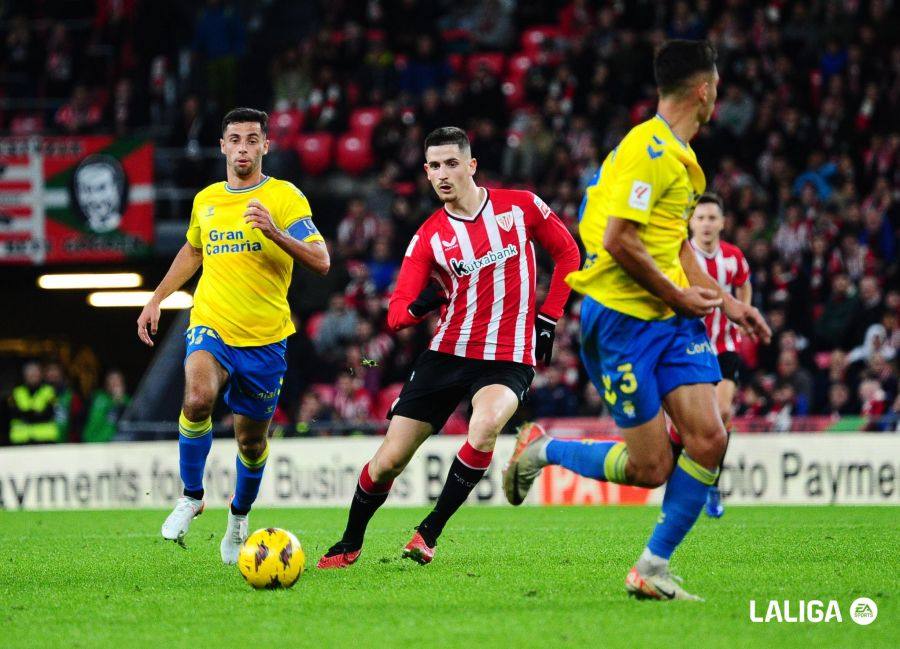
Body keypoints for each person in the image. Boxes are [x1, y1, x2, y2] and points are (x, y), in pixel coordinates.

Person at [503, 40, 770, 601]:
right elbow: (620, 241)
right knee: (651, 467)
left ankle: (651, 567)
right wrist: (679, 292)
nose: (718, 95)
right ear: (703, 90)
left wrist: (724, 300)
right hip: (622, 321)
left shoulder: (678, 157)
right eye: (716, 86)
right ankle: (541, 448)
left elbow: (672, 241)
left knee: (708, 439)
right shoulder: (646, 152)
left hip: (668, 319)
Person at [318, 126, 580, 568]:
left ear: (471, 165)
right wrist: (421, 306)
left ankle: (428, 533)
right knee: (388, 462)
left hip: (507, 356)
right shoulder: (429, 237)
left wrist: (549, 318)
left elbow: (569, 255)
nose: (442, 174)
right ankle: (350, 542)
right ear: (425, 171)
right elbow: (396, 314)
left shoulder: (521, 207)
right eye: (434, 166)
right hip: (446, 355)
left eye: (451, 164)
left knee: (485, 426)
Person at [137, 107, 329, 563]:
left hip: (265, 338)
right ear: (222, 146)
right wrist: (156, 298)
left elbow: (321, 260)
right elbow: (193, 249)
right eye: (235, 139)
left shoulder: (285, 198)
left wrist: (274, 231)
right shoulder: (206, 199)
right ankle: (191, 494)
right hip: (212, 323)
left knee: (251, 441)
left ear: (266, 145)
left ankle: (239, 517)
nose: (243, 147)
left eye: (252, 139)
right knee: (197, 398)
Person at [680, 192, 752, 517]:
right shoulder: (682, 257)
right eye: (701, 218)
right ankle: (692, 480)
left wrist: (744, 312)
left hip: (724, 347)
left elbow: (744, 282)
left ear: (722, 223)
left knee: (722, 413)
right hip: (690, 348)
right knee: (695, 424)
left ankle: (712, 483)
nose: (707, 224)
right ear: (691, 222)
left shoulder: (733, 257)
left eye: (712, 218)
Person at [8, 361, 60, 444]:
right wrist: (35, 414)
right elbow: (13, 413)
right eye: (30, 373)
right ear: (25, 375)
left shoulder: (49, 391)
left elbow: (50, 413)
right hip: (22, 441)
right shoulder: (17, 392)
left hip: (45, 439)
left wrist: (27, 414)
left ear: (40, 374)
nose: (33, 376)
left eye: (35, 373)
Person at [82, 370, 131, 443]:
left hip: (115, 444)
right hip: (91, 441)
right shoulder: (97, 397)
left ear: (123, 384)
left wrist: (120, 402)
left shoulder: (128, 401)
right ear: (106, 384)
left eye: (117, 380)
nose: (115, 383)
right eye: (111, 380)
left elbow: (130, 423)